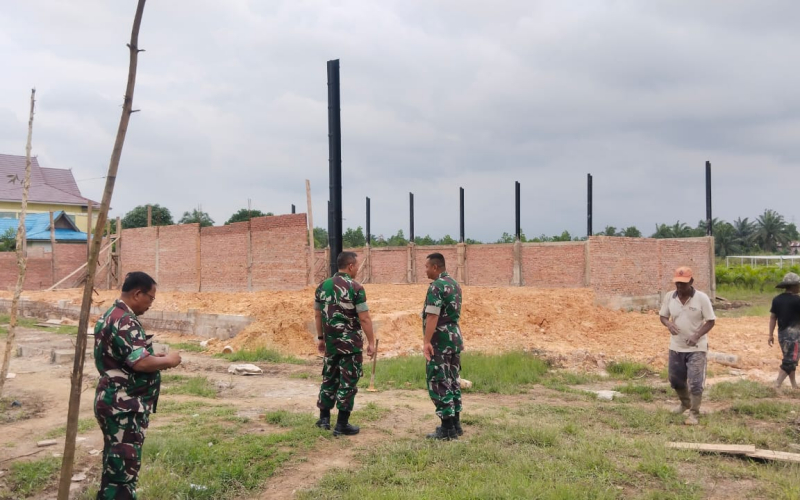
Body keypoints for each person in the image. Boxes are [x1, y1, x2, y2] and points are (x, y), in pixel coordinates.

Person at [94, 272, 182, 499]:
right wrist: (169, 361)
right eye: (150, 298)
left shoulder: (111, 315)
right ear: (137, 294)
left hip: (115, 402)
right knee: (123, 474)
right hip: (124, 406)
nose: (151, 304)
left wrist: (155, 357)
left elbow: (128, 357)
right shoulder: (125, 320)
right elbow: (141, 362)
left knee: (115, 469)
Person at [314, 251, 376, 436]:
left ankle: (324, 419)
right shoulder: (356, 288)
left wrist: (321, 338)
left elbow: (318, 315)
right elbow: (364, 318)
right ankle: (341, 424)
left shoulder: (322, 286)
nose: (357, 269)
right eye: (356, 266)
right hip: (350, 346)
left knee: (329, 379)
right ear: (350, 266)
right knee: (348, 382)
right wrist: (371, 342)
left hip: (331, 344)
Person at [659, 266, 716, 425]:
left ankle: (694, 413)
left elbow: (711, 321)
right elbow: (663, 316)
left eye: (683, 284)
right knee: (675, 380)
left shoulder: (701, 298)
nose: (679, 287)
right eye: (677, 283)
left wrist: (697, 335)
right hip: (676, 346)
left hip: (696, 348)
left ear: (691, 281)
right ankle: (685, 403)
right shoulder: (670, 297)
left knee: (695, 382)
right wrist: (669, 324)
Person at [421, 252, 464, 440]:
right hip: (454, 338)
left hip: (440, 340)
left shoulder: (436, 287)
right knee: (453, 380)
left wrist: (426, 342)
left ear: (436, 267)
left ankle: (447, 429)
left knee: (439, 381)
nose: (426, 270)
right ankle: (456, 424)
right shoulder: (454, 284)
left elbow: (432, 316)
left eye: (427, 267)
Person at [768, 272, 800, 390]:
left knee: (789, 357)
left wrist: (770, 334)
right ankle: (777, 384)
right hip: (794, 335)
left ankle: (793, 384)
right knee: (791, 360)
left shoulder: (777, 299)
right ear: (794, 286)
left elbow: (772, 318)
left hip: (782, 334)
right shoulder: (797, 300)